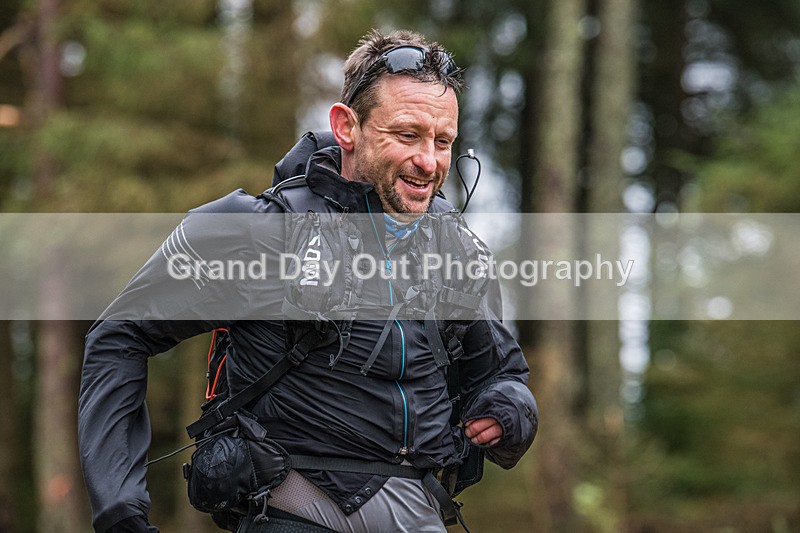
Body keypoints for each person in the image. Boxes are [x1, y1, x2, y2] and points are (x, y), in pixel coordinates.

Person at [79, 29, 538, 533]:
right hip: (293, 508)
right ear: (346, 127)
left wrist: (510, 410)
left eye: (443, 141)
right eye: (407, 135)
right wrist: (119, 509)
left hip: (422, 513)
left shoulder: (457, 250)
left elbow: (500, 375)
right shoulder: (258, 231)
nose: (429, 162)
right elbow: (120, 334)